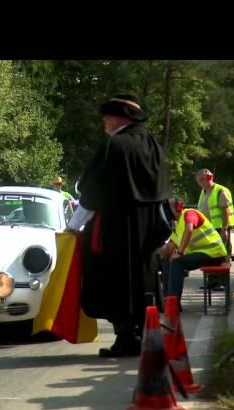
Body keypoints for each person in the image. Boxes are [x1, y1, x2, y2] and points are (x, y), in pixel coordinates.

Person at [66, 94, 172, 358]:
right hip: (147, 229)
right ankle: (141, 332)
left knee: (114, 280)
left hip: (116, 228)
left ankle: (125, 337)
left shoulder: (115, 146)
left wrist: (74, 225)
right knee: (141, 279)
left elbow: (92, 192)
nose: (104, 121)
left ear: (121, 117)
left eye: (107, 116)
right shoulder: (152, 145)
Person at [159, 199, 227, 305]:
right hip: (202, 254)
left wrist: (180, 252)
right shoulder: (178, 227)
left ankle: (173, 303)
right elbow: (169, 248)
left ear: (178, 208)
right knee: (167, 261)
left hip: (214, 253)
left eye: (167, 209)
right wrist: (153, 250)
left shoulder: (190, 213)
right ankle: (167, 299)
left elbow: (189, 229)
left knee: (177, 262)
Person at [194, 168, 234, 255]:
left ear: (209, 178)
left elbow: (225, 211)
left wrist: (225, 229)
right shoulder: (203, 191)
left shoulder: (220, 190)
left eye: (202, 179)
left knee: (223, 252)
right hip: (209, 228)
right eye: (198, 181)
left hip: (220, 227)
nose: (200, 183)